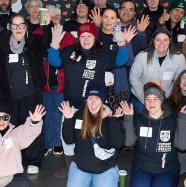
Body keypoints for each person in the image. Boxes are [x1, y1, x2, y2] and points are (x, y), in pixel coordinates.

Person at [48, 21, 133, 178]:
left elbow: (121, 61)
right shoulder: (70, 51)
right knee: (68, 135)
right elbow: (55, 62)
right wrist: (54, 45)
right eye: (82, 36)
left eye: (89, 36)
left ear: (95, 37)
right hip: (72, 104)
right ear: (78, 38)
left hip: (94, 105)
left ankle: (102, 162)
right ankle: (69, 165)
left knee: (97, 134)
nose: (86, 39)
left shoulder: (102, 53)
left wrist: (122, 44)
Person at [0, 13, 48, 174]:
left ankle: (33, 160)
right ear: (10, 27)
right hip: (9, 98)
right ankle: (12, 160)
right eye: (15, 25)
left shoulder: (35, 42)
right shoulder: (2, 45)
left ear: (26, 27)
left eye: (21, 25)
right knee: (11, 130)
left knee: (32, 126)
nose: (18, 29)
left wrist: (47, 26)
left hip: (31, 96)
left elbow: (47, 46)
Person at [121, 83, 186, 187]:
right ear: (144, 102)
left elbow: (182, 147)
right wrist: (128, 118)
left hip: (167, 168)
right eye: (148, 99)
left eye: (155, 98)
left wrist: (182, 120)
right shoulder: (139, 119)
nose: (151, 102)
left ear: (161, 100)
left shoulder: (173, 119)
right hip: (142, 167)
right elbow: (129, 143)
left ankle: (163, 183)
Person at [60, 88, 125, 187]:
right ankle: (95, 186)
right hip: (81, 166)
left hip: (104, 168)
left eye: (97, 99)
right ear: (86, 100)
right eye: (90, 99)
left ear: (103, 101)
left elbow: (118, 145)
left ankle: (104, 186)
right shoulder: (79, 115)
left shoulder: (110, 117)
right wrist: (68, 119)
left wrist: (114, 122)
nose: (93, 103)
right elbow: (68, 140)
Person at [35, 6, 76, 156]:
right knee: (45, 114)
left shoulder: (68, 36)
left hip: (60, 83)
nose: (53, 21)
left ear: (60, 18)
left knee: (58, 114)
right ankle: (47, 143)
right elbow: (37, 53)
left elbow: (71, 58)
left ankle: (57, 143)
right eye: (49, 18)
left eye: (56, 17)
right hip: (43, 83)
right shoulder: (38, 33)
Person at [129, 28, 186, 110]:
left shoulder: (179, 58)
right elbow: (134, 78)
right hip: (140, 96)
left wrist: (165, 95)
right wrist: (145, 98)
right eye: (158, 40)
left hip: (165, 97)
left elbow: (179, 80)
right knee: (143, 115)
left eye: (165, 40)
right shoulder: (142, 56)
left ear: (170, 41)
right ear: (153, 41)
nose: (161, 43)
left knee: (166, 116)